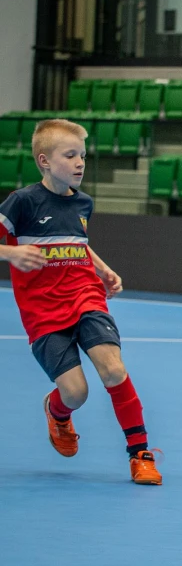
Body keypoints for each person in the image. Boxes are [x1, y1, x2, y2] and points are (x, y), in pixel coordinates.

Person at [0, 119, 162, 485]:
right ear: (44, 160)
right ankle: (57, 411)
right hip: (42, 311)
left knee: (114, 370)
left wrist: (102, 269)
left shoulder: (83, 202)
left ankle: (140, 454)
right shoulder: (22, 202)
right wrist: (11, 253)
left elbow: (77, 243)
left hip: (85, 296)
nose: (80, 163)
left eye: (83, 156)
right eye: (70, 155)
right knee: (75, 394)